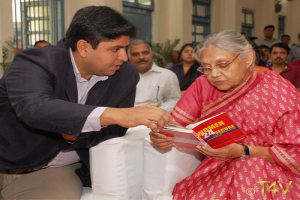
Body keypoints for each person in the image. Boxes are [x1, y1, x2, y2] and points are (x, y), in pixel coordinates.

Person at [0, 6, 172, 200]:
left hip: (55, 170)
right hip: (6, 158)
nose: (124, 57)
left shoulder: (124, 75)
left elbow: (116, 129)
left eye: (125, 48)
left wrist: (74, 136)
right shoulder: (36, 62)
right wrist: (115, 114)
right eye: (115, 49)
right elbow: (34, 108)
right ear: (83, 47)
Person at [150, 30, 300, 199]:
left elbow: (295, 152)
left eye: (222, 65)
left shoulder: (279, 92)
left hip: (271, 169)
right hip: (217, 166)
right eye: (206, 68)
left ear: (248, 58)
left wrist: (242, 151)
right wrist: (160, 134)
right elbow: (173, 124)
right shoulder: (202, 85)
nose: (214, 74)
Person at [128, 39, 181, 113]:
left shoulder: (167, 75)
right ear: (129, 58)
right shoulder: (121, 76)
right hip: (127, 119)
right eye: (135, 54)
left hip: (156, 118)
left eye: (145, 53)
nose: (141, 57)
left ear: (151, 54)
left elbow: (174, 100)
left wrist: (156, 111)